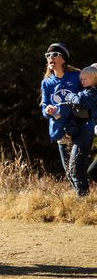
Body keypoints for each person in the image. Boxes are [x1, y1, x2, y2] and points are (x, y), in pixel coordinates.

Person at [40, 43, 86, 195]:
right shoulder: (46, 82)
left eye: (54, 55)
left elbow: (87, 101)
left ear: (63, 59)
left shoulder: (76, 77)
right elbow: (44, 107)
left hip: (79, 128)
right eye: (48, 56)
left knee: (76, 169)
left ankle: (84, 202)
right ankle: (81, 204)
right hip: (59, 130)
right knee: (69, 172)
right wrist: (47, 110)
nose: (50, 58)